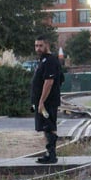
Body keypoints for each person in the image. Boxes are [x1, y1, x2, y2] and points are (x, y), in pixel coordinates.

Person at [30, 36, 62, 164]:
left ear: (47, 45)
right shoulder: (43, 60)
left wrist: (42, 101)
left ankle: (52, 155)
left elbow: (49, 82)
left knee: (49, 126)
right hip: (42, 101)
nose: (38, 48)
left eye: (40, 45)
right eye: (36, 46)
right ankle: (49, 153)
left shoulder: (50, 61)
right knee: (45, 126)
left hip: (48, 101)